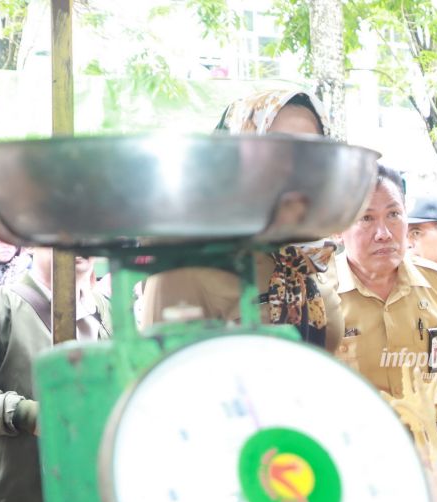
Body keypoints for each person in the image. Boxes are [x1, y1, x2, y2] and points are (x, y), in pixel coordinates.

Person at [138, 88, 343, 350]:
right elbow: (164, 379)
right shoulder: (185, 267)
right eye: (276, 149)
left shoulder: (313, 254)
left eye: (309, 152)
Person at [0, 248, 110, 502]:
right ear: (32, 241)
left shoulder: (103, 312)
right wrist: (28, 415)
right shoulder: (3, 308)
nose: (79, 243)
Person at [334, 165, 437, 398]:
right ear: (338, 229)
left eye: (393, 215)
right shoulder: (320, 297)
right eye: (366, 218)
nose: (383, 233)